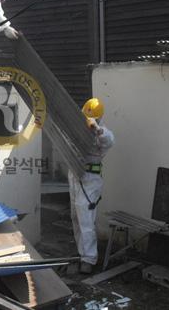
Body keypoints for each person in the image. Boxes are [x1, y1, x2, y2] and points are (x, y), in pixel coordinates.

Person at [68, 97, 115, 274]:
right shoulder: (78, 129)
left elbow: (109, 140)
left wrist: (97, 129)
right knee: (75, 217)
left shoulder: (103, 133)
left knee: (86, 219)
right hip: (74, 175)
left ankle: (89, 258)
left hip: (90, 179)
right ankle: (81, 252)